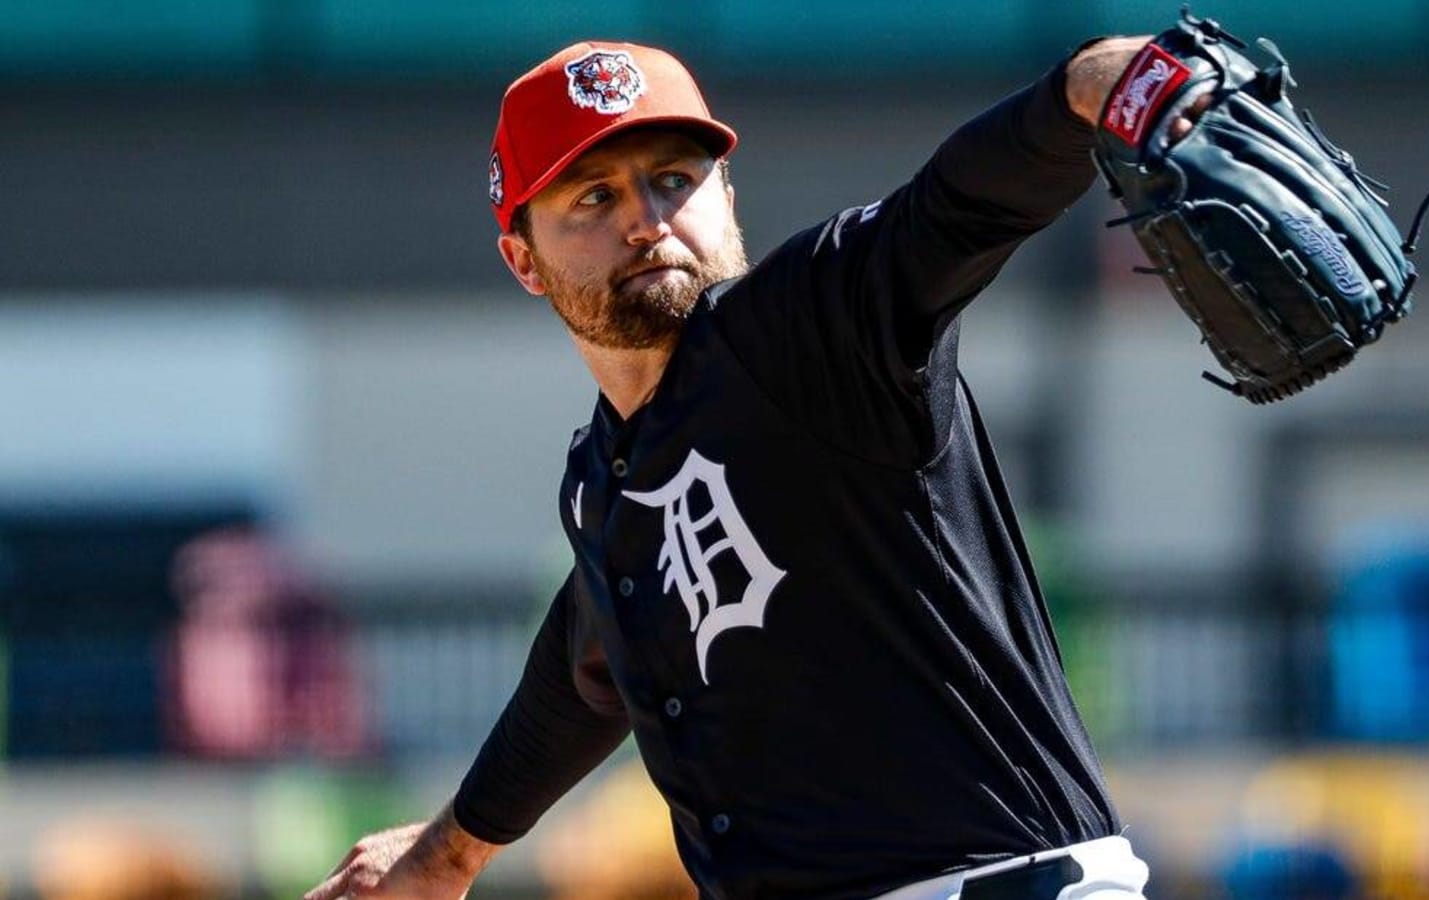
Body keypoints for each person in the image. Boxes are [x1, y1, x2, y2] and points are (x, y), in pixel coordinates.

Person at [307, 31, 1202, 900]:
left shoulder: (808, 329)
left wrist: (1085, 90)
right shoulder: (603, 486)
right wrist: (451, 851)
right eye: (592, 197)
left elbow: (953, 208)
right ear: (523, 260)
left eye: (672, 180)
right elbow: (587, 667)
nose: (646, 221)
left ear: (726, 197)